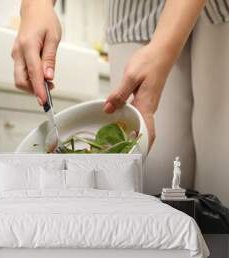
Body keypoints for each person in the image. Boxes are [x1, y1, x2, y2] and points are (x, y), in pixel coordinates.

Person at [11, 0, 229, 205]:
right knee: (150, 178)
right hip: (134, 11)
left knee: (221, 178)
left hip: (220, 11)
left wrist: (164, 48)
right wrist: (35, 7)